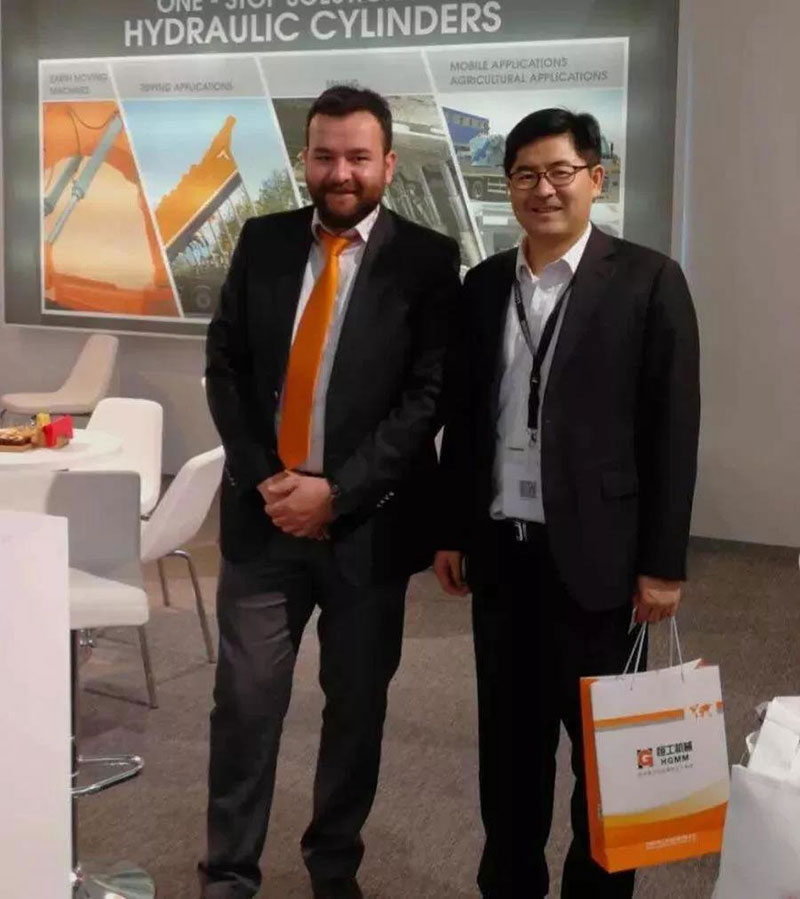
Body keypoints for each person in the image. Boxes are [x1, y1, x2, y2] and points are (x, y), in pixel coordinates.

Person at [201, 85, 460, 899]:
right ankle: (228, 874)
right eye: (324, 155)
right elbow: (225, 365)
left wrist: (338, 493)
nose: (339, 172)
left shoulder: (428, 259)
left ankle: (333, 867)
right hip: (264, 521)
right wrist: (266, 478)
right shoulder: (263, 240)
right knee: (244, 708)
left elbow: (426, 398)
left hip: (367, 533)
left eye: (357, 157)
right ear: (305, 159)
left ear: (388, 162)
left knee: (355, 712)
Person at [434, 108, 700, 898]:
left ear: (595, 177)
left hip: (602, 564)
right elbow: (466, 419)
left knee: (607, 762)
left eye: (559, 171)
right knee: (508, 758)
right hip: (504, 557)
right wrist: (454, 529)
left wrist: (663, 564)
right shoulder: (485, 284)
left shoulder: (649, 280)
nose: (542, 189)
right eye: (525, 174)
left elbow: (673, 429)